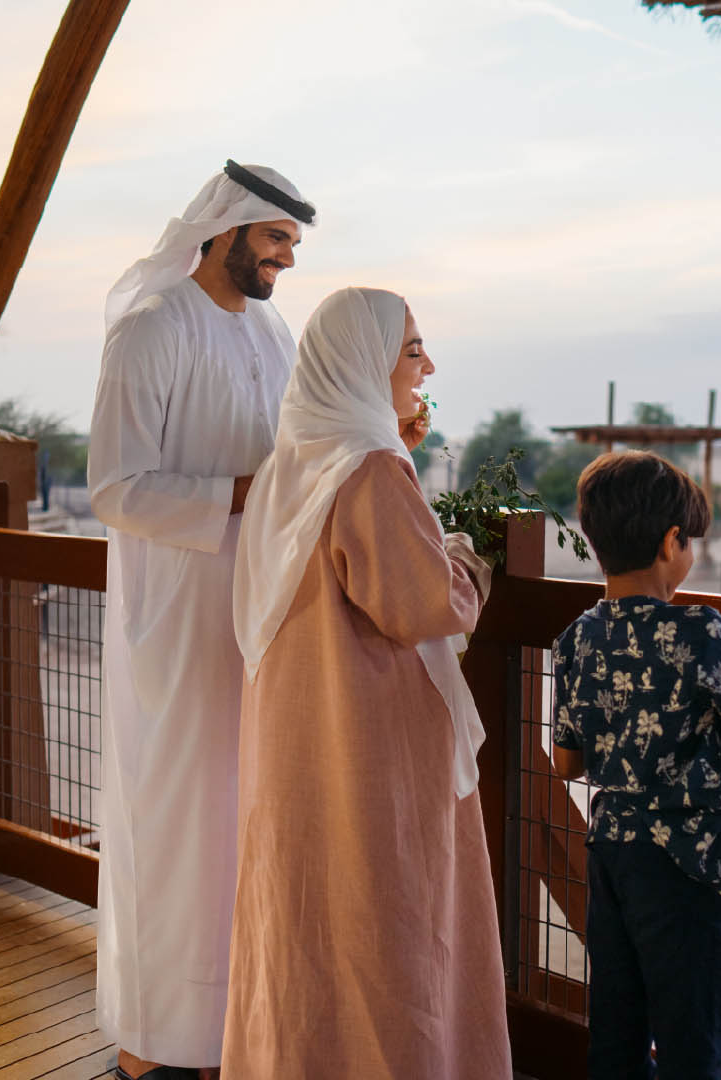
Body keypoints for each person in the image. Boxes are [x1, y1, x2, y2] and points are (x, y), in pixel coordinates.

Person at [222, 287, 510, 1079]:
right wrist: (465, 555)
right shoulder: (371, 467)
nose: (427, 364)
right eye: (412, 349)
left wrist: (400, 453)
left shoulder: (295, 458)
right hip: (368, 742)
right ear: (364, 361)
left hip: (299, 731)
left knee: (306, 922)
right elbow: (423, 602)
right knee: (389, 929)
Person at [87, 160, 316, 1080]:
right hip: (178, 617)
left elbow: (298, 447)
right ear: (225, 230)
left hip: (259, 607)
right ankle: (152, 1043)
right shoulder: (151, 329)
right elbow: (115, 487)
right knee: (175, 818)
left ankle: (229, 1032)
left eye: (292, 245)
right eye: (275, 240)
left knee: (244, 815)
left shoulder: (270, 329)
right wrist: (241, 495)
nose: (285, 261)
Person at [549, 451, 721, 1080]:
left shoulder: (577, 637)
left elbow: (566, 762)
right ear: (672, 542)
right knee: (695, 1042)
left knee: (616, 1034)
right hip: (690, 868)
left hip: (613, 853)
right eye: (689, 539)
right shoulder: (698, 632)